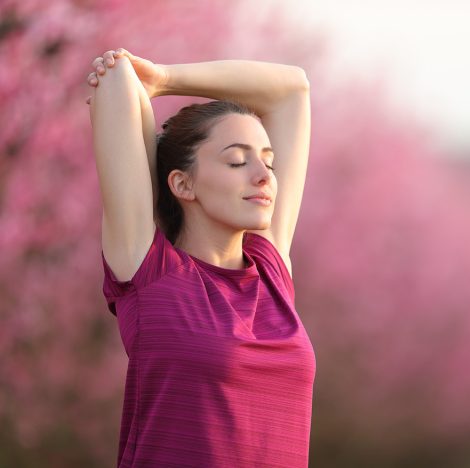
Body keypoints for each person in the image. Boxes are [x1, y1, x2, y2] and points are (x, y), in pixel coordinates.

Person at [86, 48, 315, 468]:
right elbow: (118, 81)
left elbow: (292, 90)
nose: (263, 175)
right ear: (182, 184)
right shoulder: (151, 273)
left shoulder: (272, 274)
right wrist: (131, 77)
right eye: (236, 161)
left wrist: (164, 78)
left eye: (268, 162)